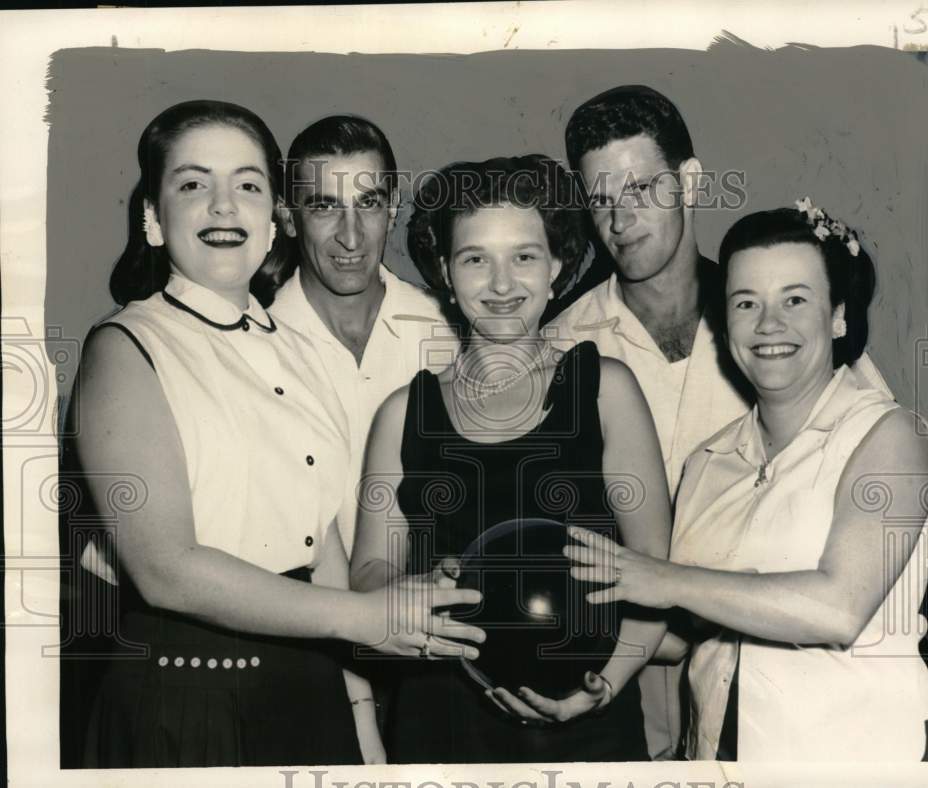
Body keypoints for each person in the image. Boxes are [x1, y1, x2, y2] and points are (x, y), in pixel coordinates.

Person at [61, 100, 483, 769]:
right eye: (195, 184)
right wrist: (365, 618)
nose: (226, 207)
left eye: (247, 185)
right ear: (151, 217)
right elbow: (164, 568)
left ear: (269, 218)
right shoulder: (125, 345)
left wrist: (362, 726)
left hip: (311, 692)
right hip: (188, 694)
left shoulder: (286, 349)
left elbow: (325, 553)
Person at [546, 83, 892, 759]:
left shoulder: (779, 330)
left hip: (789, 697)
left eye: (642, 189)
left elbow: (880, 468)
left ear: (691, 180)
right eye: (602, 199)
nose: (622, 219)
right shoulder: (562, 349)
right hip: (619, 695)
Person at [565, 203, 928, 761]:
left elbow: (837, 610)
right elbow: (690, 627)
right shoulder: (708, 462)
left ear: (838, 315)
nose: (769, 325)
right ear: (725, 322)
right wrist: (594, 677)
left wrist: (665, 579)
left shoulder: (889, 435)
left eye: (795, 299)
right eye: (746, 303)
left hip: (863, 761)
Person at [351, 155, 682, 763]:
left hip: (587, 721)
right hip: (440, 719)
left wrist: (605, 686)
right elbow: (369, 574)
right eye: (476, 258)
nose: (502, 285)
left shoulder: (605, 389)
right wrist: (413, 590)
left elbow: (655, 576)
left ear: (556, 266)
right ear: (446, 273)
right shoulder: (404, 413)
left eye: (524, 256)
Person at [259, 115, 458, 557]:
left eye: (367, 204)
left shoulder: (451, 334)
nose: (351, 237)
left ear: (391, 210)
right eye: (325, 207)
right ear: (289, 217)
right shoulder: (253, 346)